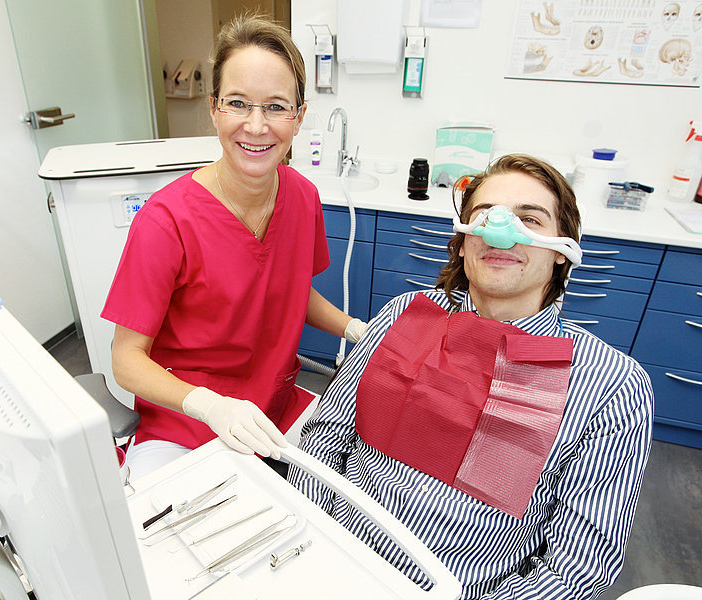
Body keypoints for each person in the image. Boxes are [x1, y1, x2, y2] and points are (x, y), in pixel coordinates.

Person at [288, 154, 654, 599]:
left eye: (530, 220)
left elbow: (579, 568)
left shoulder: (612, 385)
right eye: (485, 216)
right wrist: (319, 539)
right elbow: (325, 436)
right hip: (326, 556)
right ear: (463, 242)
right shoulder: (406, 314)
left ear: (562, 253)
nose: (502, 232)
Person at [101, 14, 367, 480]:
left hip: (276, 409)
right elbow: (125, 360)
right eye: (238, 103)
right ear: (214, 109)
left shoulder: (302, 196)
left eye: (276, 107)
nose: (256, 126)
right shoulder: (166, 222)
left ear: (299, 117)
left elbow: (286, 290)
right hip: (184, 422)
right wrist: (208, 405)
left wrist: (354, 331)